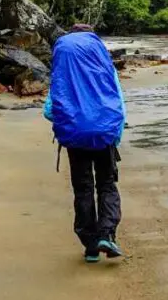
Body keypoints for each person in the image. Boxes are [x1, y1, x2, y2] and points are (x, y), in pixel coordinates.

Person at [43, 25, 126, 263]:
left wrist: (72, 116)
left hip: (74, 136)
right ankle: (106, 234)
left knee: (83, 188)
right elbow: (119, 103)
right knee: (107, 184)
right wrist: (114, 132)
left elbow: (49, 111)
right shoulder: (105, 68)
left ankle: (90, 246)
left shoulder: (63, 73)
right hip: (104, 134)